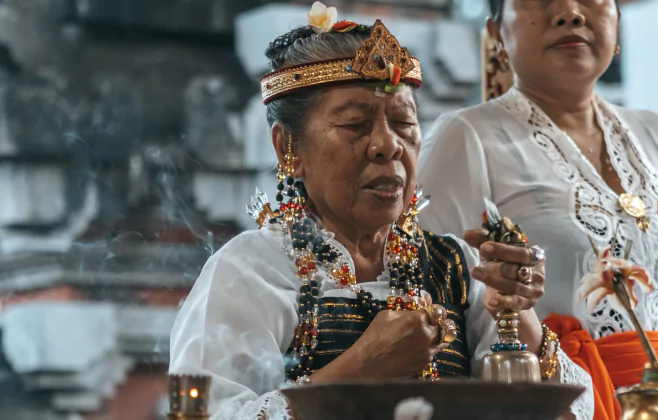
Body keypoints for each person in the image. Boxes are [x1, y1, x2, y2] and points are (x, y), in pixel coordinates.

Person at [169, 4, 592, 419]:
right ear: (288, 148)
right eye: (355, 124)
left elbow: (569, 411)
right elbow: (206, 414)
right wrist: (360, 369)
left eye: (403, 123)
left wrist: (513, 312)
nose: (387, 145)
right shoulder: (252, 272)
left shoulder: (456, 266)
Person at [417, 0, 658, 419]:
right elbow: (432, 311)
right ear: (496, 30)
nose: (569, 11)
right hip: (555, 406)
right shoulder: (465, 139)